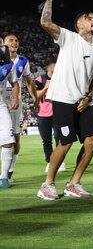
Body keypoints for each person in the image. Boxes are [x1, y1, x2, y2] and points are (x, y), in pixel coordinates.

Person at [37, 0, 93, 200]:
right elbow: (45, 22)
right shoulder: (69, 38)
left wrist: (89, 97)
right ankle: (47, 184)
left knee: (92, 139)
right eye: (88, 18)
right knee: (65, 143)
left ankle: (74, 183)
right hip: (63, 98)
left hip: (83, 101)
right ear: (79, 25)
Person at [2, 33, 39, 183]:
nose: (14, 42)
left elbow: (29, 82)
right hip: (1, 98)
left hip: (14, 101)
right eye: (11, 40)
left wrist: (35, 99)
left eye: (16, 40)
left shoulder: (23, 61)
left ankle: (9, 171)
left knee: (15, 136)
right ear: (4, 43)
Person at [34, 61, 66, 172]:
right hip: (43, 114)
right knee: (46, 140)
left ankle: (60, 162)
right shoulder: (39, 80)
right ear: (51, 67)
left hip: (58, 113)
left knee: (59, 138)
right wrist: (46, 88)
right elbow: (36, 95)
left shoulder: (60, 80)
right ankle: (50, 162)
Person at [0, 56, 19, 188]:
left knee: (8, 141)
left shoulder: (8, 65)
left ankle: (4, 177)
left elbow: (15, 83)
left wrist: (15, 98)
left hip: (1, 105)